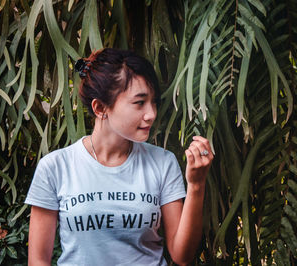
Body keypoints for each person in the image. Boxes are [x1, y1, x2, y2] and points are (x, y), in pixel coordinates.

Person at [25, 48, 213, 266]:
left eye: (153, 102)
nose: (151, 113)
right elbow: (38, 259)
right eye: (139, 102)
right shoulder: (55, 167)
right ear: (100, 108)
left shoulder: (163, 162)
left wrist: (196, 185)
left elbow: (182, 255)